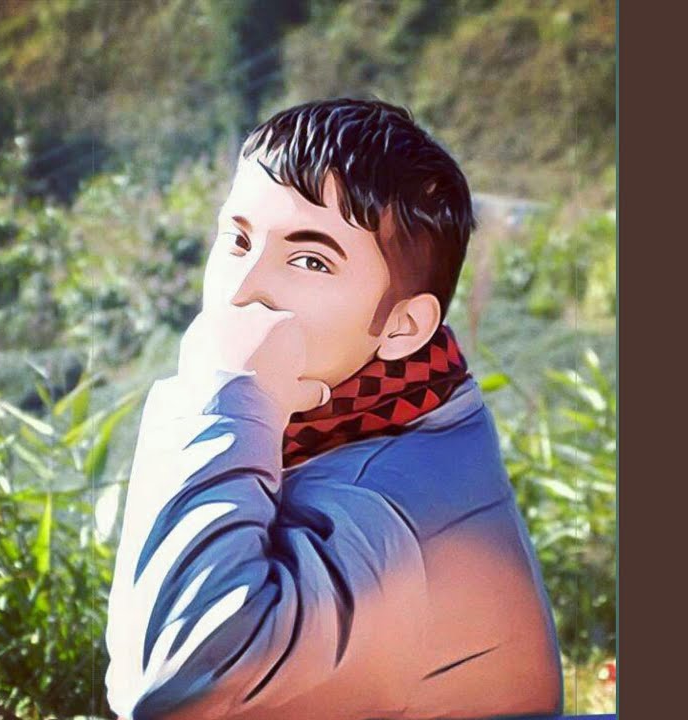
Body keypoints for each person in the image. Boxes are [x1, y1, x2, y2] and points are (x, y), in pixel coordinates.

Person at [104, 98, 562, 720]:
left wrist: (225, 393)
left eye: (310, 260)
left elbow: (169, 683)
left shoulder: (385, 512)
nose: (241, 291)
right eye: (238, 239)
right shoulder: (400, 410)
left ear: (403, 327)